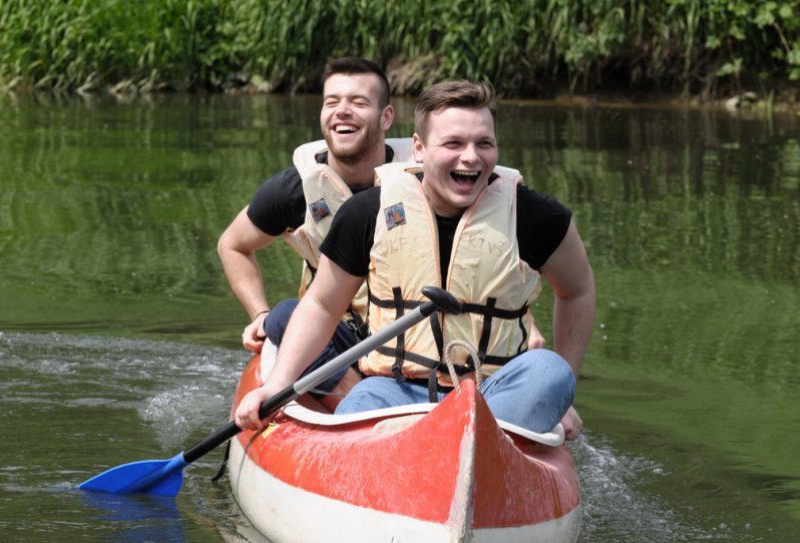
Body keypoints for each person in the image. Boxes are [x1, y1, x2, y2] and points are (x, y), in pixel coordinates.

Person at [235, 80, 594, 437]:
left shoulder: (536, 217)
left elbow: (577, 290)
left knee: (551, 372)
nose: (470, 156)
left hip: (491, 395)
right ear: (419, 148)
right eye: (453, 143)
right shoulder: (367, 213)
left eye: (484, 143)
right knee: (357, 407)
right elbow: (322, 305)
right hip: (395, 389)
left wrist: (561, 397)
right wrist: (276, 386)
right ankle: (428, 445)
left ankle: (482, 442)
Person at [217, 57, 413, 392]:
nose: (342, 111)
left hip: (412, 338)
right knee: (284, 316)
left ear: (386, 117)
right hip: (334, 336)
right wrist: (258, 314)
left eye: (358, 102)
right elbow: (233, 245)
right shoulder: (293, 191)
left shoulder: (424, 184)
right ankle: (356, 399)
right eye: (332, 102)